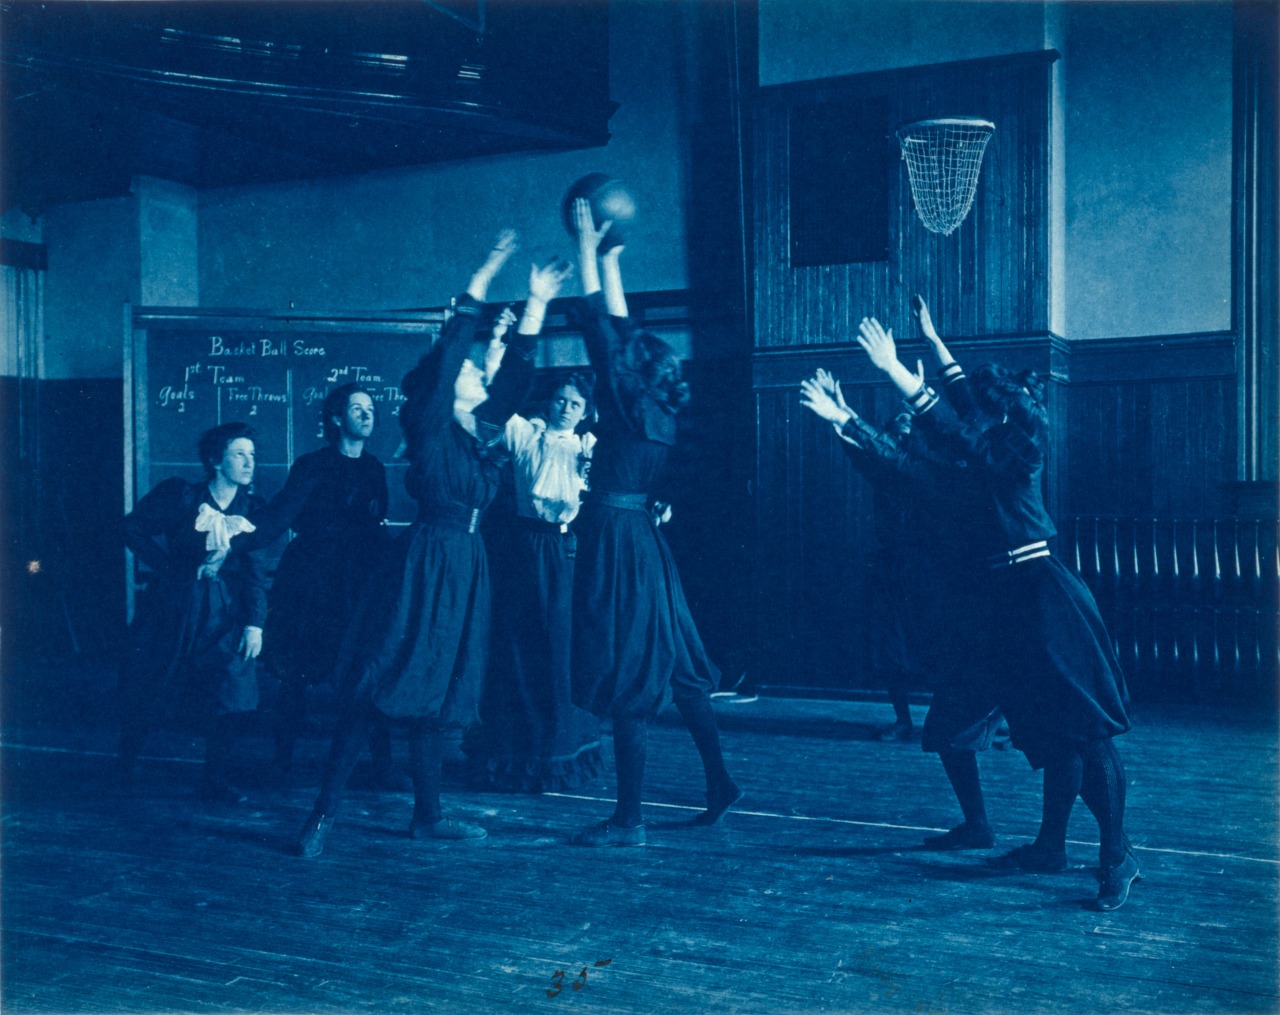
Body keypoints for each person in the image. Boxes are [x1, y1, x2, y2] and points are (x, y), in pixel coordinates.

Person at [294, 232, 573, 856]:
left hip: (468, 567)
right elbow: (450, 355)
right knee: (380, 684)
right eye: (470, 373)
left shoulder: (481, 433)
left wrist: (535, 304)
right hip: (429, 562)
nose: (477, 373)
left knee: (438, 692)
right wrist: (486, 269)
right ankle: (320, 816)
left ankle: (427, 814)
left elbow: (516, 379)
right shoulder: (429, 427)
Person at [856, 299, 1138, 911]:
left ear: (1000, 416)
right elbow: (961, 411)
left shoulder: (1016, 450)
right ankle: (1050, 847)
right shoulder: (991, 443)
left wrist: (900, 376)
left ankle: (1117, 856)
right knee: (1049, 735)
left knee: (1086, 735)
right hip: (1006, 605)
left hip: (1044, 597)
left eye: (980, 411)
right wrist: (934, 342)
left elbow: (960, 425)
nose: (968, 416)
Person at [567, 198, 740, 847]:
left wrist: (589, 250)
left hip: (618, 544)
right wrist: (615, 260)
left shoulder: (629, 406)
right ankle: (719, 781)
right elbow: (617, 330)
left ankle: (629, 818)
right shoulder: (658, 413)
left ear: (633, 373)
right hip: (645, 542)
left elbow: (599, 328)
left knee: (627, 670)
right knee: (680, 668)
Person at [800, 369, 1003, 853]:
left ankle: (1009, 821)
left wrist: (846, 413)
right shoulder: (919, 468)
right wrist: (841, 416)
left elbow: (891, 459)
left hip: (980, 594)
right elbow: (878, 460)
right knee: (947, 713)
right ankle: (982, 822)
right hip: (943, 589)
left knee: (991, 712)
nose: (904, 433)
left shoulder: (951, 469)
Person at [247, 383, 406, 790]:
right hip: (314, 581)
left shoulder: (373, 467)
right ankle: (281, 763)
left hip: (360, 582)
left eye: (371, 409)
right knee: (298, 672)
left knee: (367, 670)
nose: (368, 415)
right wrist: (235, 542)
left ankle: (382, 765)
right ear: (336, 418)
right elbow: (282, 516)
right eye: (357, 409)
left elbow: (375, 525)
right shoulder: (313, 464)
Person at [465, 348, 605, 792]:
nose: (566, 408)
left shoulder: (590, 446)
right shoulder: (527, 435)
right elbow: (495, 405)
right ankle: (518, 755)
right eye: (561, 399)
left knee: (564, 650)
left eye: (575, 403)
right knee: (524, 648)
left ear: (586, 412)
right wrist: (499, 348)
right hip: (526, 550)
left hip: (571, 550)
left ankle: (562, 754)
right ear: (549, 402)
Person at [117, 422, 266, 804]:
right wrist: (172, 569)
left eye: (252, 454)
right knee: (152, 679)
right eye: (239, 454)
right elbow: (132, 529)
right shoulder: (182, 497)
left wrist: (254, 624)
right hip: (175, 606)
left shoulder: (252, 510)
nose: (250, 462)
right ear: (216, 460)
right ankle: (124, 765)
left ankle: (213, 778)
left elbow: (253, 573)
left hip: (225, 612)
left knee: (232, 685)